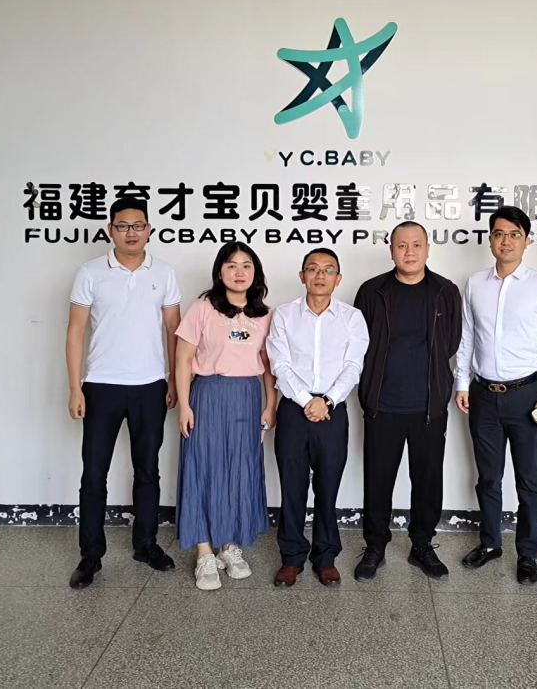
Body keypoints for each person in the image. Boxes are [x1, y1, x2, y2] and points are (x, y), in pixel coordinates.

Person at [65, 197, 181, 589]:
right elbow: (75, 331)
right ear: (110, 230)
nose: (131, 232)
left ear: (149, 229)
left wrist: (173, 382)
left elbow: (174, 331)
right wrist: (75, 387)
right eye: (122, 225)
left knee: (148, 470)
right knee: (93, 473)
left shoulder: (164, 272)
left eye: (138, 225)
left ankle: (145, 544)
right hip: (102, 385)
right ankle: (90, 556)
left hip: (151, 385)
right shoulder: (91, 272)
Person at [454, 206, 537, 584]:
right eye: (499, 233)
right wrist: (462, 383)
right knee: (488, 477)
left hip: (527, 395)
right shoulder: (475, 284)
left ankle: (527, 552)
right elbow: (467, 337)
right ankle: (490, 544)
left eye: (515, 234)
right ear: (490, 239)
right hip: (483, 394)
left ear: (527, 240)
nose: (506, 241)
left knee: (529, 480)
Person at [353, 222, 462, 581]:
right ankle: (375, 546)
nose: (409, 252)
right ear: (391, 250)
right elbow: (359, 344)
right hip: (382, 404)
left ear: (428, 249)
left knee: (428, 481)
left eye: (417, 244)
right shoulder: (372, 291)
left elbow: (452, 343)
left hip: (428, 406)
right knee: (378, 480)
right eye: (402, 245)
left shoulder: (445, 291)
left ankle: (422, 545)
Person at [174, 242, 277, 590]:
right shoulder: (203, 307)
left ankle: (229, 546)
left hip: (247, 397)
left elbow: (269, 366)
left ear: (255, 272)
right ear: (220, 272)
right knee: (202, 467)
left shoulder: (265, 314)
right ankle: (204, 552)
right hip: (208, 394)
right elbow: (183, 358)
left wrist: (270, 404)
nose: (239, 272)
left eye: (246, 265)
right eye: (231, 265)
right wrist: (185, 404)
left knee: (240, 468)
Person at [266, 249, 369, 588]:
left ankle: (325, 557)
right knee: (292, 487)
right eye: (312, 269)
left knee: (328, 488)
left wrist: (327, 400)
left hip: (332, 411)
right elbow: (280, 364)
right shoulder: (284, 315)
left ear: (338, 279)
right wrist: (306, 400)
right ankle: (292, 557)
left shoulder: (352, 317)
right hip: (294, 410)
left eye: (328, 270)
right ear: (302, 276)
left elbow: (353, 366)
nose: (320, 275)